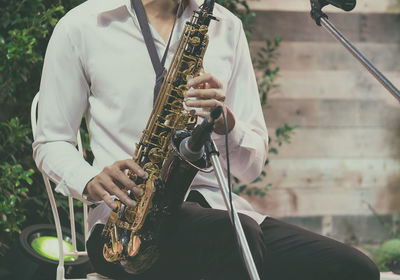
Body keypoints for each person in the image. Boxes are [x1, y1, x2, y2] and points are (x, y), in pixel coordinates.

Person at [33, 0, 380, 279]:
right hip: (126, 228)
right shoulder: (82, 25)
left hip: (221, 210)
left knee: (354, 269)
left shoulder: (227, 26)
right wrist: (90, 180)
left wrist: (225, 123)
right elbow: (51, 141)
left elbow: (251, 166)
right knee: (230, 237)